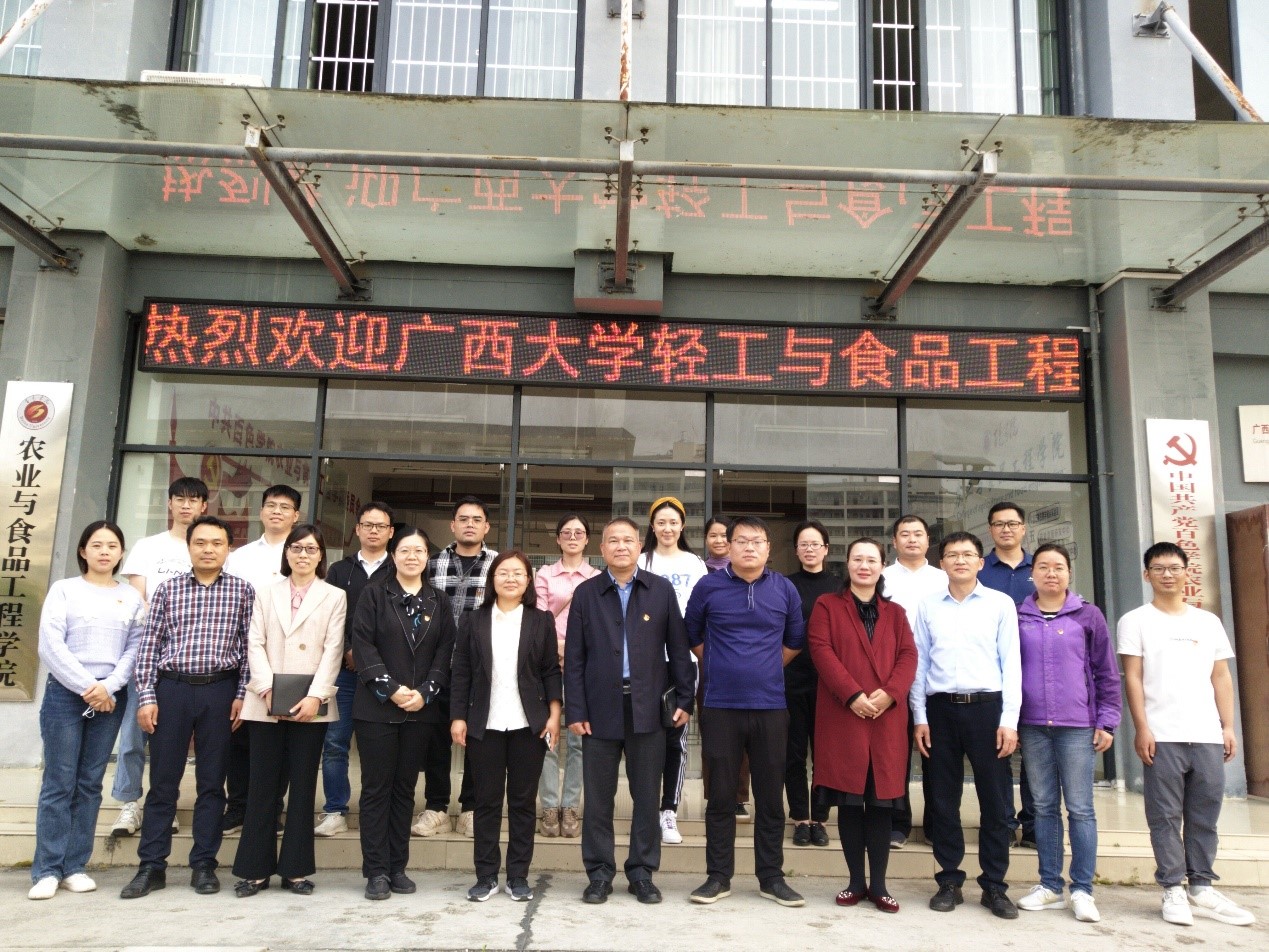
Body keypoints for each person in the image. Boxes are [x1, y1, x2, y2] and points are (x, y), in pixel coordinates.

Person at [1119, 542, 1256, 928]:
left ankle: (1201, 886)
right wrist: (1142, 727)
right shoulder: (1135, 620)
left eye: (1174, 567)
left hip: (1207, 733)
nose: (1167, 574)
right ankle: (1172, 888)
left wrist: (1227, 726)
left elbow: (1221, 676)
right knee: (1164, 815)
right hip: (1162, 734)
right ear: (1147, 574)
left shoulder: (1207, 622)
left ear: (1186, 572)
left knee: (1205, 813)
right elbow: (1133, 677)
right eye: (1159, 568)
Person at [120, 515, 254, 900]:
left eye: (216, 543)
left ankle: (204, 864)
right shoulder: (168, 589)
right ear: (189, 547)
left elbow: (249, 649)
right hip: (172, 690)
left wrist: (242, 694)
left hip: (221, 691)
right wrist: (147, 697)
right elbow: (150, 646)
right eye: (200, 542)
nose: (208, 549)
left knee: (212, 782)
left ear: (228, 548)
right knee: (163, 782)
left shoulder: (243, 592)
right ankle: (151, 866)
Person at [564, 517, 695, 905]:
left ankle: (642, 872)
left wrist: (685, 699)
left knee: (646, 795)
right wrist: (575, 709)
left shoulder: (660, 590)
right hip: (599, 708)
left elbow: (679, 648)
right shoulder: (586, 593)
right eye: (613, 541)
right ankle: (599, 873)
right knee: (598, 799)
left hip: (648, 708)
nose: (621, 546)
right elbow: (574, 658)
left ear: (640, 546)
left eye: (628, 540)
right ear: (601, 549)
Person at [685, 515, 806, 908]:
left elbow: (795, 640)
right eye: (741, 540)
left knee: (770, 797)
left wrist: (764, 667)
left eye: (757, 541)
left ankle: (771, 877)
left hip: (770, 706)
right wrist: (722, 665)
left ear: (768, 548)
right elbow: (692, 634)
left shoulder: (784, 588)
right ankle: (718, 877)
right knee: (721, 796)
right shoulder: (709, 586)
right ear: (729, 546)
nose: (749, 547)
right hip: (720, 705)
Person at [29, 522, 145, 900]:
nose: (104, 551)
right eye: (96, 545)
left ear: (121, 553)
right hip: (66, 695)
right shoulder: (64, 590)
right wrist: (88, 687)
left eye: (112, 545)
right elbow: (50, 645)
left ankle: (75, 866)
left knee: (90, 782)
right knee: (59, 781)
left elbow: (135, 648)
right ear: (83, 551)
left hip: (110, 698)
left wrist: (108, 687)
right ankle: (48, 869)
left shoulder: (131, 597)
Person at [231, 524, 346, 898]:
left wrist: (316, 697)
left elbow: (333, 650)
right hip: (265, 702)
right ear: (287, 553)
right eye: (296, 548)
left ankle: (295, 870)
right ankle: (254, 870)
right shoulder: (265, 592)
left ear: (320, 555)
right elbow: (254, 642)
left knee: (302, 787)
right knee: (262, 786)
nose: (303, 554)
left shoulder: (335, 596)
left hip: (311, 705)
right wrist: (266, 689)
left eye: (311, 549)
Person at [911, 531, 1021, 920]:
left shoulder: (1000, 604)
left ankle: (994, 885)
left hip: (987, 711)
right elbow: (919, 663)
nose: (960, 560)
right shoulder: (927, 605)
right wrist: (919, 716)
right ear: (942, 563)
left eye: (968, 554)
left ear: (980, 562)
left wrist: (1009, 720)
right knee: (943, 800)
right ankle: (949, 880)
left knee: (995, 801)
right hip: (940, 710)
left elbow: (1012, 664)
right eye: (952, 555)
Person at [1013, 543, 1120, 924]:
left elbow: (1106, 671)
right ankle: (1049, 885)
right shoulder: (1018, 615)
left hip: (1077, 726)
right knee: (1043, 807)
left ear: (1069, 573)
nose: (1051, 573)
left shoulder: (1088, 615)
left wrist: (1107, 720)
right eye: (1043, 566)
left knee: (1080, 808)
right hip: (1032, 725)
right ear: (1032, 574)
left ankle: (1083, 889)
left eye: (1058, 566)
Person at [809, 537, 917, 913]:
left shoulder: (896, 613)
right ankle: (856, 881)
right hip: (844, 714)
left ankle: (880, 885)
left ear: (882, 566)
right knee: (851, 802)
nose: (864, 566)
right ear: (848, 565)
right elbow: (821, 650)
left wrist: (890, 693)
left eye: (872, 560)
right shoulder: (827, 605)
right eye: (858, 559)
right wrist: (852, 694)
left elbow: (908, 655)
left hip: (886, 717)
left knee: (882, 803)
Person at [351, 526, 456, 900]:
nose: (412, 557)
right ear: (393, 556)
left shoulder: (439, 601)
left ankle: (397, 867)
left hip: (420, 712)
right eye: (405, 550)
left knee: (405, 790)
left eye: (419, 551)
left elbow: (445, 652)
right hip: (377, 709)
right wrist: (391, 689)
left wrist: (426, 693)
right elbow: (363, 645)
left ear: (428, 558)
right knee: (376, 789)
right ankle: (376, 870)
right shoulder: (374, 595)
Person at [451, 550, 562, 902]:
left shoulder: (540, 620)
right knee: (485, 802)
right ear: (492, 580)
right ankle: (486, 876)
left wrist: (554, 715)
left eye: (518, 573)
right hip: (484, 723)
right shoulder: (473, 620)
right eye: (503, 573)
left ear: (528, 580)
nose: (510, 578)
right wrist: (458, 716)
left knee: (523, 804)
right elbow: (462, 671)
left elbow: (550, 670)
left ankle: (518, 876)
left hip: (529, 724)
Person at [111, 476, 208, 838]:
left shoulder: (207, 548)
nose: (186, 505)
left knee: (173, 739)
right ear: (169, 504)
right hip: (148, 652)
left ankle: (163, 803)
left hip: (188, 658)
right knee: (135, 733)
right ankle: (129, 803)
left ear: (204, 506)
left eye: (193, 500)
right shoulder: (148, 547)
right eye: (179, 499)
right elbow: (140, 601)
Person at [222, 484, 302, 834]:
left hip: (287, 660)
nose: (276, 512)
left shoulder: (301, 554)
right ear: (261, 511)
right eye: (271, 505)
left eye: (285, 507)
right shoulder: (239, 557)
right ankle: (238, 806)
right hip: (242, 654)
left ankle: (274, 808)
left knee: (280, 737)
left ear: (296, 515)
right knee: (240, 734)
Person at [316, 501, 396, 837]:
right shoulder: (339, 570)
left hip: (387, 675)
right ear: (358, 530)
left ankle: (378, 810)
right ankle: (335, 809)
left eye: (381, 526)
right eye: (368, 525)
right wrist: (350, 651)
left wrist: (370, 659)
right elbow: (330, 618)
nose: (374, 531)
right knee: (335, 741)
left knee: (378, 746)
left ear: (390, 532)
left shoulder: (399, 569)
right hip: (345, 672)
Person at [424, 495, 498, 839]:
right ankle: (436, 807)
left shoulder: (498, 565)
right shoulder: (431, 563)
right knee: (436, 739)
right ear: (453, 525)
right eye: (463, 519)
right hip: (437, 664)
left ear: (486, 527)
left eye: (476, 519)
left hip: (481, 666)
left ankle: (471, 808)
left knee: (477, 740)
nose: (470, 524)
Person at [639, 496, 707, 843]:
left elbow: (703, 612)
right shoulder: (641, 561)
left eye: (673, 522)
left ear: (682, 526)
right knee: (645, 737)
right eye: (661, 522)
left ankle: (669, 811)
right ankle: (646, 809)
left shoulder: (695, 563)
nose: (667, 528)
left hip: (683, 662)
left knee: (675, 738)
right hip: (645, 662)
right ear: (652, 527)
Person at [880, 514, 947, 849]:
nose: (911, 539)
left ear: (928, 540)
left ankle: (936, 824)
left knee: (936, 753)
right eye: (904, 534)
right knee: (895, 754)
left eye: (918, 534)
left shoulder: (943, 578)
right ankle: (898, 823)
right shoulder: (882, 578)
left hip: (935, 675)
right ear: (894, 542)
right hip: (892, 676)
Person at [534, 514, 600, 839]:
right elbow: (540, 616)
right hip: (548, 662)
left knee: (578, 738)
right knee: (548, 735)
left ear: (587, 539)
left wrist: (572, 649)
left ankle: (571, 806)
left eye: (579, 532)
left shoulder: (597, 577)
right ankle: (549, 806)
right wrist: (557, 648)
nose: (573, 537)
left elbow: (598, 623)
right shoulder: (544, 574)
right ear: (558, 538)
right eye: (566, 532)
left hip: (584, 665)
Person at [978, 501, 1037, 849]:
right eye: (999, 524)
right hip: (992, 674)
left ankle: (1033, 824)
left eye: (1012, 523)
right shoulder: (981, 570)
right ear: (990, 530)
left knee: (1035, 750)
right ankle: (1003, 821)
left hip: (1036, 669)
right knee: (998, 751)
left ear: (1023, 528)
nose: (1006, 529)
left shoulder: (1039, 567)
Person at [784, 520, 838, 848]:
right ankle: (800, 818)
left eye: (815, 544)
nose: (809, 549)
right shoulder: (784, 585)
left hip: (829, 683)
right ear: (796, 550)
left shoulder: (839, 586)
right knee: (793, 752)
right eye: (803, 544)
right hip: (791, 679)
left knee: (825, 753)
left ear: (826, 549)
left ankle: (820, 818)